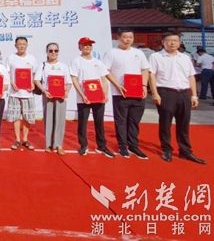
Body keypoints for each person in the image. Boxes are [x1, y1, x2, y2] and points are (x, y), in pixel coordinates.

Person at [149, 32, 206, 164]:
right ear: (163, 42)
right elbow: (151, 75)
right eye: (169, 40)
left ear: (179, 43)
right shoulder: (156, 56)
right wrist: (155, 93)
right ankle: (167, 150)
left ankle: (185, 151)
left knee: (184, 123)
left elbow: (191, 76)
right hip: (166, 92)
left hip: (184, 93)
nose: (172, 43)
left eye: (175, 40)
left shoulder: (185, 58)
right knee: (165, 123)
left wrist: (194, 95)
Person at [103, 29, 150, 159]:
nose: (128, 39)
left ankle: (133, 145)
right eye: (125, 37)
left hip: (137, 92)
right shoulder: (112, 53)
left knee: (134, 121)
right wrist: (117, 85)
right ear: (118, 38)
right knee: (121, 121)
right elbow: (105, 70)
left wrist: (144, 85)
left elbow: (145, 70)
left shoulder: (138, 53)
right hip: (120, 93)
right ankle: (122, 146)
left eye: (130, 37)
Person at [70, 37, 117, 158]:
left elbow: (104, 79)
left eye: (90, 45)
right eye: (85, 45)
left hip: (98, 98)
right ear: (80, 47)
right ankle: (83, 145)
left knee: (99, 123)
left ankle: (102, 146)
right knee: (83, 123)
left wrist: (105, 95)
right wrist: (82, 94)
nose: (88, 47)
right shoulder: (76, 61)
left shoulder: (98, 62)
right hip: (83, 98)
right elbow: (74, 79)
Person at [34, 42, 72, 155]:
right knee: (48, 120)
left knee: (60, 121)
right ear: (47, 52)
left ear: (58, 52)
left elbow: (68, 82)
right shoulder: (43, 65)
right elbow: (36, 80)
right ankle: (48, 145)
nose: (53, 53)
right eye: (50, 51)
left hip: (61, 97)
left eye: (56, 50)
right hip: (48, 96)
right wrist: (44, 91)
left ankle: (59, 145)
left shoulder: (64, 66)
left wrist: (66, 92)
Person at [5, 37, 39, 150]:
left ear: (27, 45)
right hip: (14, 92)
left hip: (28, 93)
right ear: (15, 45)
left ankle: (25, 139)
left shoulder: (32, 58)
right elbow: (7, 73)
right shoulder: (11, 58)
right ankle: (17, 139)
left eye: (24, 44)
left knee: (27, 117)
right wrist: (12, 82)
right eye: (19, 44)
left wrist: (33, 84)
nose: (21, 46)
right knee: (16, 117)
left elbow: (35, 75)